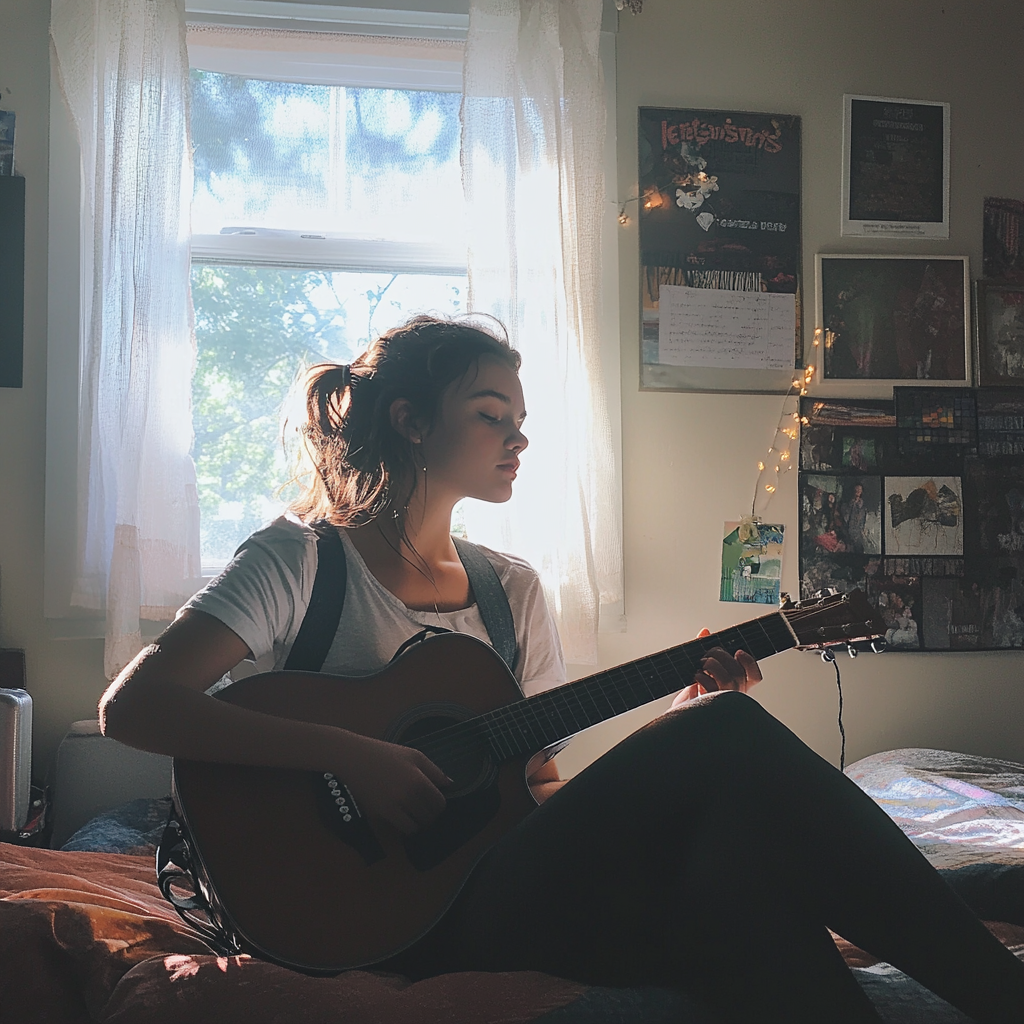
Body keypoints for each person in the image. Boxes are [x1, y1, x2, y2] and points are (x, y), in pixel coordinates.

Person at [100, 315, 1024, 1023]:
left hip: (503, 885)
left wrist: (681, 718)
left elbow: (533, 787)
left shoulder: (510, 591)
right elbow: (135, 706)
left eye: (521, 420)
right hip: (377, 917)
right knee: (732, 744)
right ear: (410, 421)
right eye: (490, 415)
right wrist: (350, 755)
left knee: (736, 858)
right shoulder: (300, 560)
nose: (518, 438)